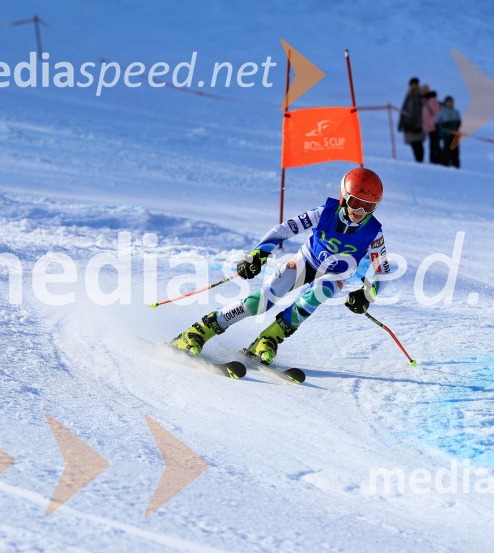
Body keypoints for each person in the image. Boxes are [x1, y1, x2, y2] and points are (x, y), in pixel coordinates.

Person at [172, 168, 391, 366]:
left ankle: (268, 339)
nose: (360, 210)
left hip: (336, 274)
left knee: (315, 297)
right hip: (306, 260)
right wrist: (258, 254)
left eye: (369, 206)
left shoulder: (373, 232)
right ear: (344, 196)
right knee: (260, 302)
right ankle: (198, 332)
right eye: (355, 202)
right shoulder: (325, 212)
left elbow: (382, 271)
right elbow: (284, 229)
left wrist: (368, 295)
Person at [398, 77, 425, 162]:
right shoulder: (408, 97)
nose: (414, 86)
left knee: (419, 144)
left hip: (419, 124)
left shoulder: (420, 96)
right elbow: (404, 110)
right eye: (412, 85)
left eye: (415, 85)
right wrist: (401, 124)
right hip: (409, 125)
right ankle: (418, 161)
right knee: (414, 144)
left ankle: (420, 161)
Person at [436, 95, 461, 168]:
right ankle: (445, 165)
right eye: (448, 102)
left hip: (454, 135)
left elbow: (459, 123)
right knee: (446, 150)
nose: (450, 104)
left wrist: (456, 127)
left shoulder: (456, 112)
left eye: (451, 102)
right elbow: (437, 123)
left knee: (455, 151)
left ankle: (456, 165)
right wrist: (443, 129)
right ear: (445, 103)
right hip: (446, 134)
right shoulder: (441, 112)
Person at [420, 84, 441, 164]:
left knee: (434, 145)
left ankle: (436, 161)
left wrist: (432, 124)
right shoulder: (424, 101)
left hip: (434, 128)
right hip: (429, 128)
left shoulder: (432, 100)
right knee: (433, 145)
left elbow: (437, 114)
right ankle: (434, 161)